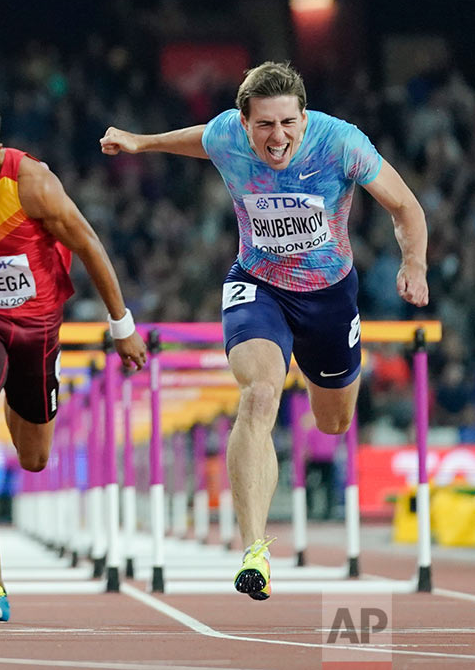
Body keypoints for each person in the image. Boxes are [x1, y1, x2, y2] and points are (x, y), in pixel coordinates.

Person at [101, 61, 427, 600]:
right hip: (259, 286)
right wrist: (142, 143)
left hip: (328, 296)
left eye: (287, 124)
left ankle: (315, 371)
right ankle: (255, 549)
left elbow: (405, 206)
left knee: (334, 423)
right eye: (264, 126)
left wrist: (413, 265)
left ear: (304, 116)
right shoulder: (227, 133)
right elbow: (199, 140)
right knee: (258, 396)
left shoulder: (342, 144)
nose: (277, 138)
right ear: (243, 122)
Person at [0, 99, 146, 624]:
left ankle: (15, 390)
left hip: (38, 329)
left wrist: (121, 325)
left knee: (35, 458)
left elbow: (86, 243)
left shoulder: (33, 182)